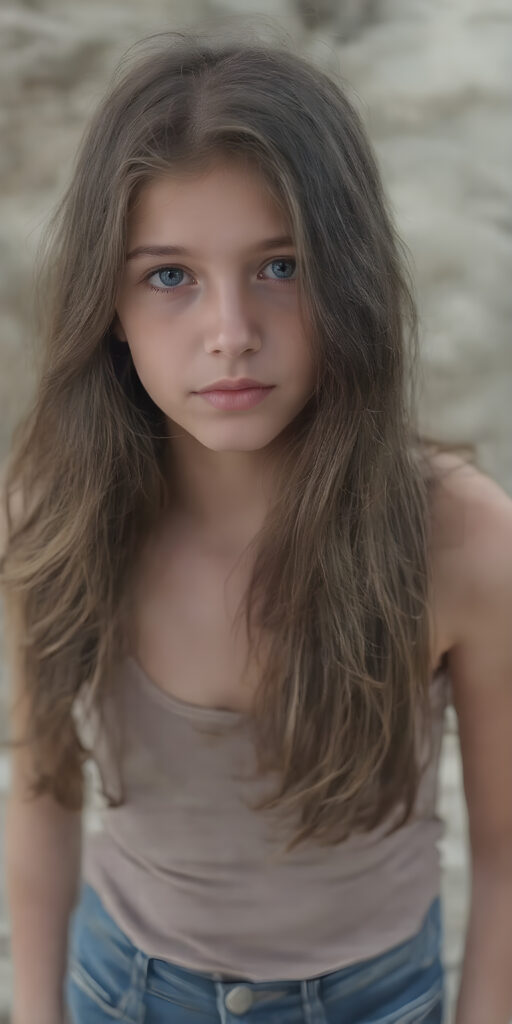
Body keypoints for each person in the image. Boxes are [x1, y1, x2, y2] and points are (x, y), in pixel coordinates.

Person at [1, 27, 512, 1024]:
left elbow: (505, 853)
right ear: (108, 303)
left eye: (280, 266)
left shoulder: (463, 543)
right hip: (121, 991)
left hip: (375, 1000)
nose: (230, 332)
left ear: (349, 275)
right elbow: (42, 792)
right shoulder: (55, 515)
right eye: (170, 276)